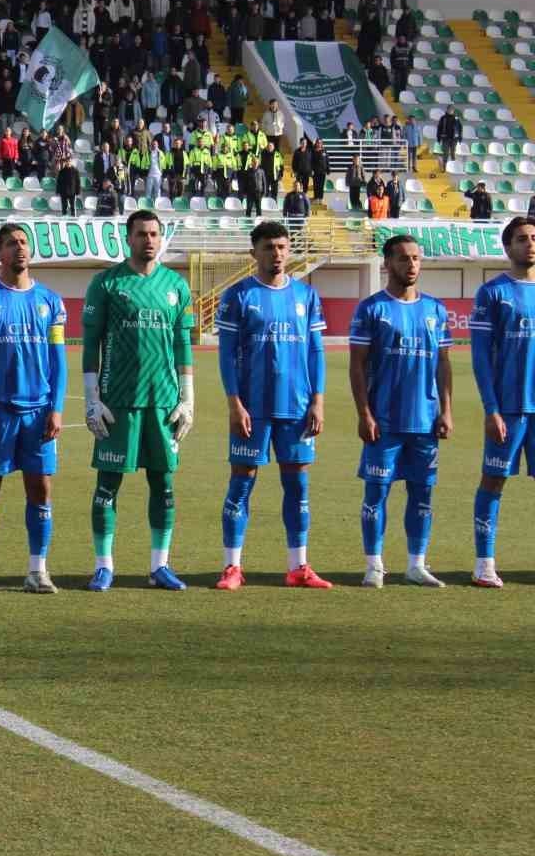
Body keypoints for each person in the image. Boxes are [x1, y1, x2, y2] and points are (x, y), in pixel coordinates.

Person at [81, 211, 195, 591]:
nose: (149, 240)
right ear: (127, 238)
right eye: (141, 234)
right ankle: (103, 566)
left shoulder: (176, 286)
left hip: (163, 404)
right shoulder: (107, 283)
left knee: (163, 485)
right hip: (118, 402)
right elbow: (91, 344)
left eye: (154, 234)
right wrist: (91, 398)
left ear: (162, 239)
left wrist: (188, 398)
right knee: (107, 485)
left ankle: (159, 566)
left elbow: (182, 346)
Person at [213, 221, 330, 591]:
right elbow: (227, 355)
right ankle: (232, 567)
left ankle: (299, 566)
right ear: (254, 253)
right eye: (268, 247)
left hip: (296, 409)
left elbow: (315, 351)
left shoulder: (306, 296)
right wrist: (235, 404)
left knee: (298, 486)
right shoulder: (238, 296)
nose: (276, 253)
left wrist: (318, 401)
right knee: (241, 484)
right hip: (253, 407)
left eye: (281, 246)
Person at [0, 223, 67, 594]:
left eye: (24, 242)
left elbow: (59, 363)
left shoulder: (51, 302)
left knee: (40, 490)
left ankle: (37, 570)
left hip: (38, 413)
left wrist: (56, 408)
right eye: (11, 243)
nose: (19, 248)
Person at [349, 234, 453, 588]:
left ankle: (416, 564)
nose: (411, 265)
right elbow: (357, 365)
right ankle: (374, 564)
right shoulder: (372, 308)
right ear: (388, 263)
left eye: (416, 259)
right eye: (404, 259)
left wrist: (446, 411)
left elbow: (443, 366)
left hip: (424, 421)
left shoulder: (435, 310)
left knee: (422, 493)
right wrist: (364, 413)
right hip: (384, 421)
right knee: (376, 492)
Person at [467, 216, 535, 589]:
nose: (530, 244)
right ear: (508, 248)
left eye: (534, 238)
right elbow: (480, 356)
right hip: (508, 408)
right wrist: (490, 408)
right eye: (522, 239)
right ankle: (484, 563)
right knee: (493, 482)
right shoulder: (492, 293)